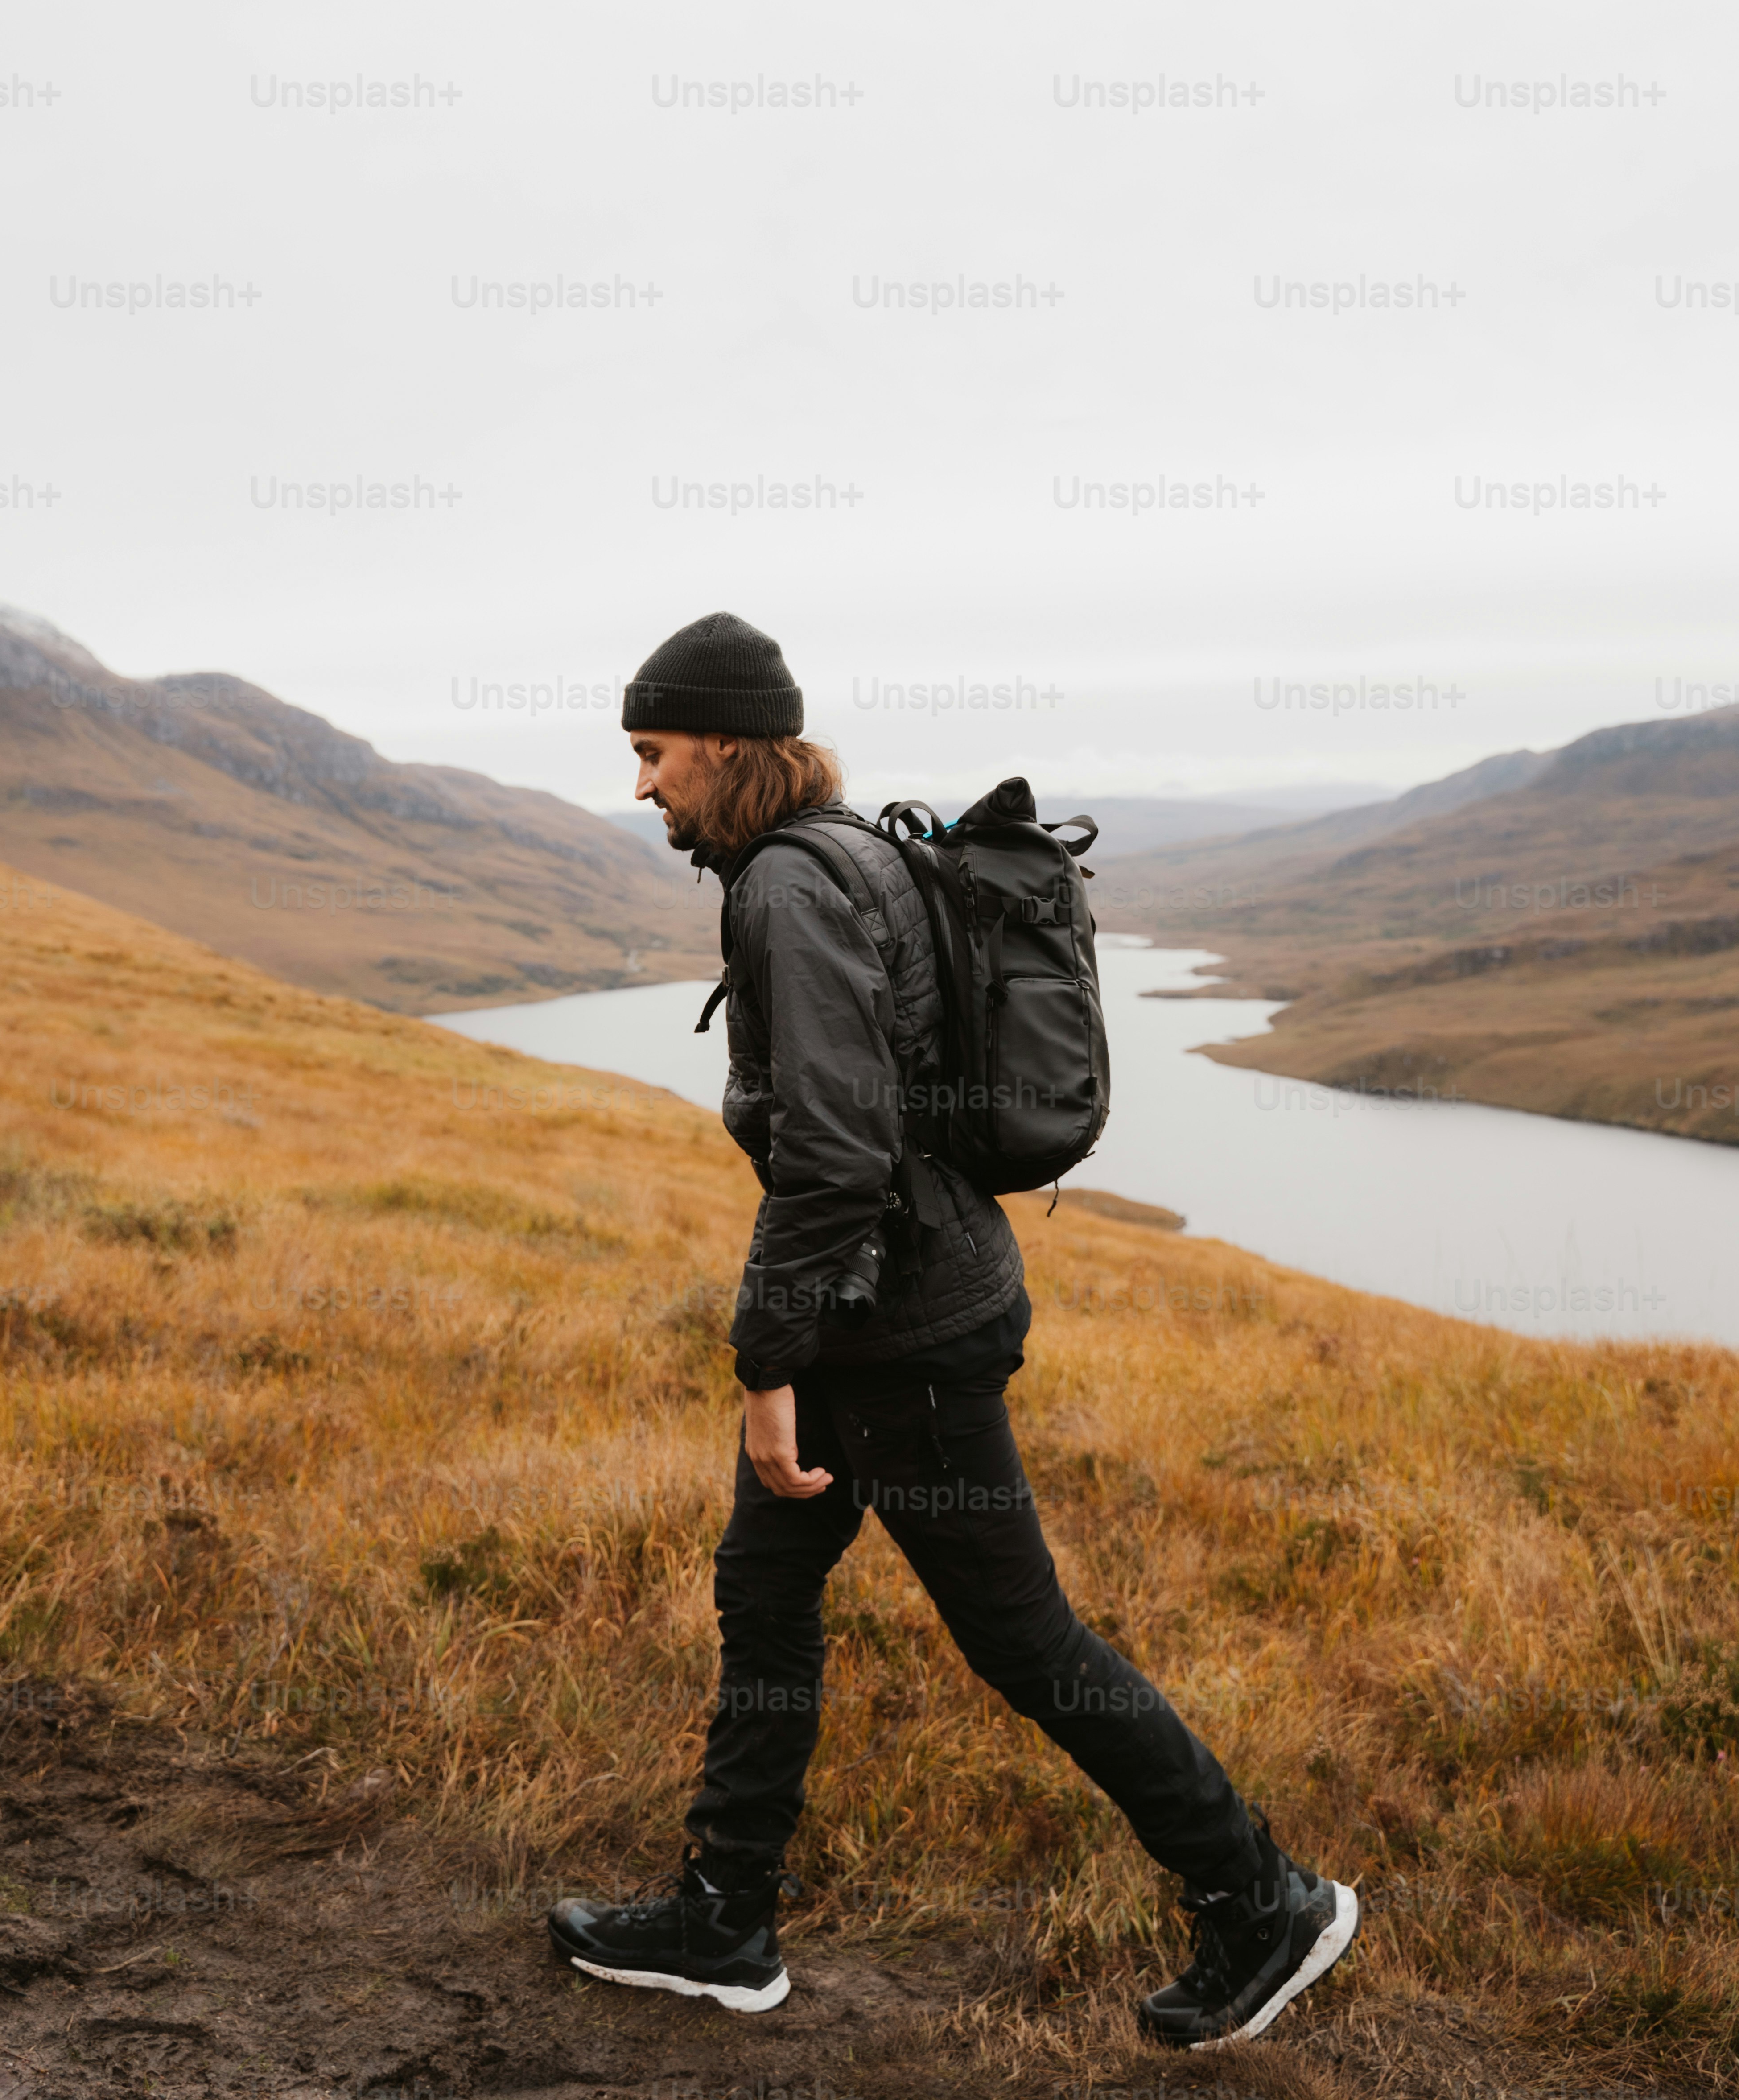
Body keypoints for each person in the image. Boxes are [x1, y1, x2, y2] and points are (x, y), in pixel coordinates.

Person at [548, 612, 1359, 2045]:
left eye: (653, 753)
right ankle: (724, 1917)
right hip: (897, 1306)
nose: (643, 787)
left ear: (727, 743)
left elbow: (840, 1152)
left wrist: (769, 1364)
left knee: (1026, 1641)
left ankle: (1262, 1898)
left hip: (900, 1340)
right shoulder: (850, 848)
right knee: (765, 1597)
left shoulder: (791, 890)